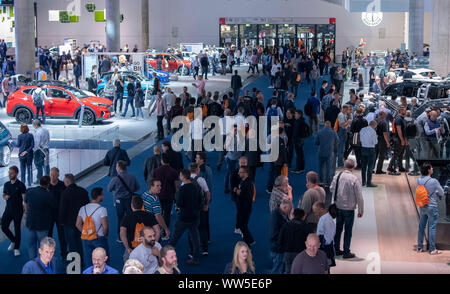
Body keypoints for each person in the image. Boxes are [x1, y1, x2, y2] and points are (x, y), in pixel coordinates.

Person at [331, 159, 364, 259]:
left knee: (338, 229)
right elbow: (359, 196)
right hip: (349, 209)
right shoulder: (354, 179)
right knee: (348, 230)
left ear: (344, 167)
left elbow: (331, 188)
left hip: (338, 207)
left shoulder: (337, 176)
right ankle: (346, 251)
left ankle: (336, 249)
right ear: (353, 168)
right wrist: (360, 210)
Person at [169, 169, 203, 265]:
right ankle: (195, 258)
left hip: (184, 217)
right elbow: (201, 200)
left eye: (180, 175)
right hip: (195, 216)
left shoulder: (182, 189)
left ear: (183, 177)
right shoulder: (196, 187)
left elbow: (179, 203)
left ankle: (165, 256)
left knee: (174, 238)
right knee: (195, 238)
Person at [59, 173, 90, 264]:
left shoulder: (65, 193)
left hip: (69, 223)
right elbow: (87, 206)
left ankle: (75, 263)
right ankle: (81, 260)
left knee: (72, 243)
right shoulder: (83, 191)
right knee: (79, 241)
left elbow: (63, 209)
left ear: (67, 182)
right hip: (81, 221)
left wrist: (61, 221)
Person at [24, 176, 56, 259]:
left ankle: (33, 262)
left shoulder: (30, 191)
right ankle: (42, 264)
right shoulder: (48, 195)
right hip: (42, 224)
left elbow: (25, 203)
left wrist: (26, 212)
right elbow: (54, 207)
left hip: (31, 222)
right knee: (43, 246)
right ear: (48, 184)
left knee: (31, 244)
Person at [76, 187, 109, 268]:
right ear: (99, 196)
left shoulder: (82, 209)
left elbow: (78, 224)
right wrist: (105, 235)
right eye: (102, 195)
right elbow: (105, 226)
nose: (103, 197)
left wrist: (85, 232)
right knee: (103, 262)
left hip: (86, 238)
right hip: (99, 238)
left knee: (89, 261)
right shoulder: (102, 209)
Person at [120, 196, 160, 261]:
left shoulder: (127, 218)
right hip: (147, 247)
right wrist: (154, 244)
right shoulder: (150, 216)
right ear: (142, 205)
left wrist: (127, 247)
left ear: (131, 205)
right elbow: (158, 231)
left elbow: (122, 234)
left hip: (132, 248)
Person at [416, 163, 444, 255]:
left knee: (421, 227)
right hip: (432, 206)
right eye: (431, 168)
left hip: (422, 205)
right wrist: (435, 192)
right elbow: (442, 192)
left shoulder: (419, 180)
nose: (432, 169)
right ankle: (432, 249)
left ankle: (419, 247)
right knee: (432, 227)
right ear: (428, 170)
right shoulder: (434, 181)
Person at [151, 153, 179, 237]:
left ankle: (157, 230)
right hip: (169, 196)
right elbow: (177, 186)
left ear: (161, 161)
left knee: (157, 214)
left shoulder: (156, 171)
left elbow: (152, 184)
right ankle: (165, 233)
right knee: (167, 214)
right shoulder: (174, 172)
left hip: (158, 196)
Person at [278, 208, 314, 274]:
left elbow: (280, 241)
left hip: (288, 254)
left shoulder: (286, 226)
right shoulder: (307, 227)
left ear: (293, 215)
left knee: (288, 271)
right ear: (303, 216)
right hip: (301, 254)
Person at [2, 166, 26, 257]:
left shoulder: (20, 185)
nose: (9, 174)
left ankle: (16, 248)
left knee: (17, 229)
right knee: (4, 227)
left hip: (18, 211)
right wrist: (5, 197)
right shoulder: (7, 184)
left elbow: (24, 199)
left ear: (16, 174)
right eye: (9, 173)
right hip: (8, 210)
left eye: (11, 173)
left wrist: (25, 211)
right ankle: (13, 240)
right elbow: (4, 194)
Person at [188, 163, 211, 256]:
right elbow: (207, 193)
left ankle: (192, 251)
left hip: (190, 210)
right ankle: (205, 249)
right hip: (201, 208)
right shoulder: (201, 180)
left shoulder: (185, 181)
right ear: (197, 170)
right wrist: (207, 205)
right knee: (203, 227)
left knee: (191, 229)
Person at [48, 167, 67, 260]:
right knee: (49, 236)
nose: (52, 177)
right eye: (51, 175)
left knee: (62, 235)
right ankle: (48, 254)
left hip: (60, 215)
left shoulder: (63, 186)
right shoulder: (47, 187)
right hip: (49, 215)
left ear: (58, 175)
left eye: (54, 175)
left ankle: (64, 253)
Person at [269, 199, 292, 274]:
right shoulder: (275, 216)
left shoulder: (281, 213)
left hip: (279, 247)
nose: (290, 211)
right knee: (277, 269)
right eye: (290, 209)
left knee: (280, 268)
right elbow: (274, 234)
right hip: (278, 249)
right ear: (285, 207)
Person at [313, 201, 336, 267]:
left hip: (325, 249)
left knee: (324, 268)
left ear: (321, 209)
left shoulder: (325, 220)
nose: (315, 214)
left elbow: (327, 237)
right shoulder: (326, 218)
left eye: (315, 211)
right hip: (326, 247)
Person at [236, 167, 255, 246]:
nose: (238, 173)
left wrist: (239, 193)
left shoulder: (248, 183)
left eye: (240, 172)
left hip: (245, 208)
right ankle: (251, 240)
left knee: (243, 225)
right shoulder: (243, 181)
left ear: (246, 173)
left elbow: (248, 196)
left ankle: (248, 243)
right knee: (243, 225)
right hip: (242, 207)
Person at [315, 121, 339, 185]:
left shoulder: (320, 132)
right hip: (330, 153)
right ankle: (328, 182)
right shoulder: (333, 132)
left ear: (324, 125)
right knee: (329, 168)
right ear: (330, 125)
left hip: (321, 152)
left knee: (320, 167)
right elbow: (337, 141)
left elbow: (316, 143)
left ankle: (320, 181)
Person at [360, 120, 378, 187]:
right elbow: (375, 142)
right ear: (374, 125)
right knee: (370, 167)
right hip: (371, 149)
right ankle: (369, 182)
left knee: (363, 166)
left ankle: (363, 182)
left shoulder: (362, 129)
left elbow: (361, 139)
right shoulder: (373, 132)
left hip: (363, 148)